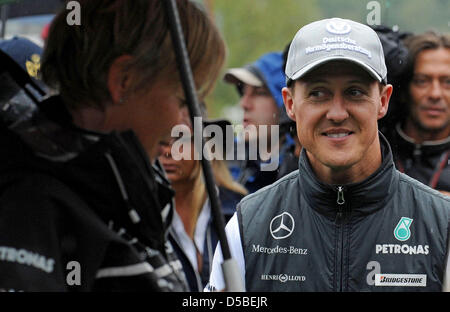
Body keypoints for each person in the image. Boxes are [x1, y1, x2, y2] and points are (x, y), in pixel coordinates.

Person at [207, 18, 450, 292]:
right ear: (290, 103)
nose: (336, 113)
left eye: (354, 92)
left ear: (383, 100)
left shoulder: (441, 224)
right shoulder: (248, 225)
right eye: (318, 93)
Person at [0, 0, 225, 291]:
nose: (183, 126)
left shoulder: (116, 187)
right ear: (124, 80)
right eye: (183, 101)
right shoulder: (32, 207)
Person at [158, 106, 247, 291]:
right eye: (160, 138)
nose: (167, 150)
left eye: (179, 138)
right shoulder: (140, 215)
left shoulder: (241, 211)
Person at [386, 31, 450, 195]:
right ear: (404, 88)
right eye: (422, 81)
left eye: (447, 82)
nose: (435, 94)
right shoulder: (376, 146)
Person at [223, 51, 293, 193]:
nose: (244, 103)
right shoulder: (223, 162)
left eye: (259, 93)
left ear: (287, 103)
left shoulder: (304, 170)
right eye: (243, 92)